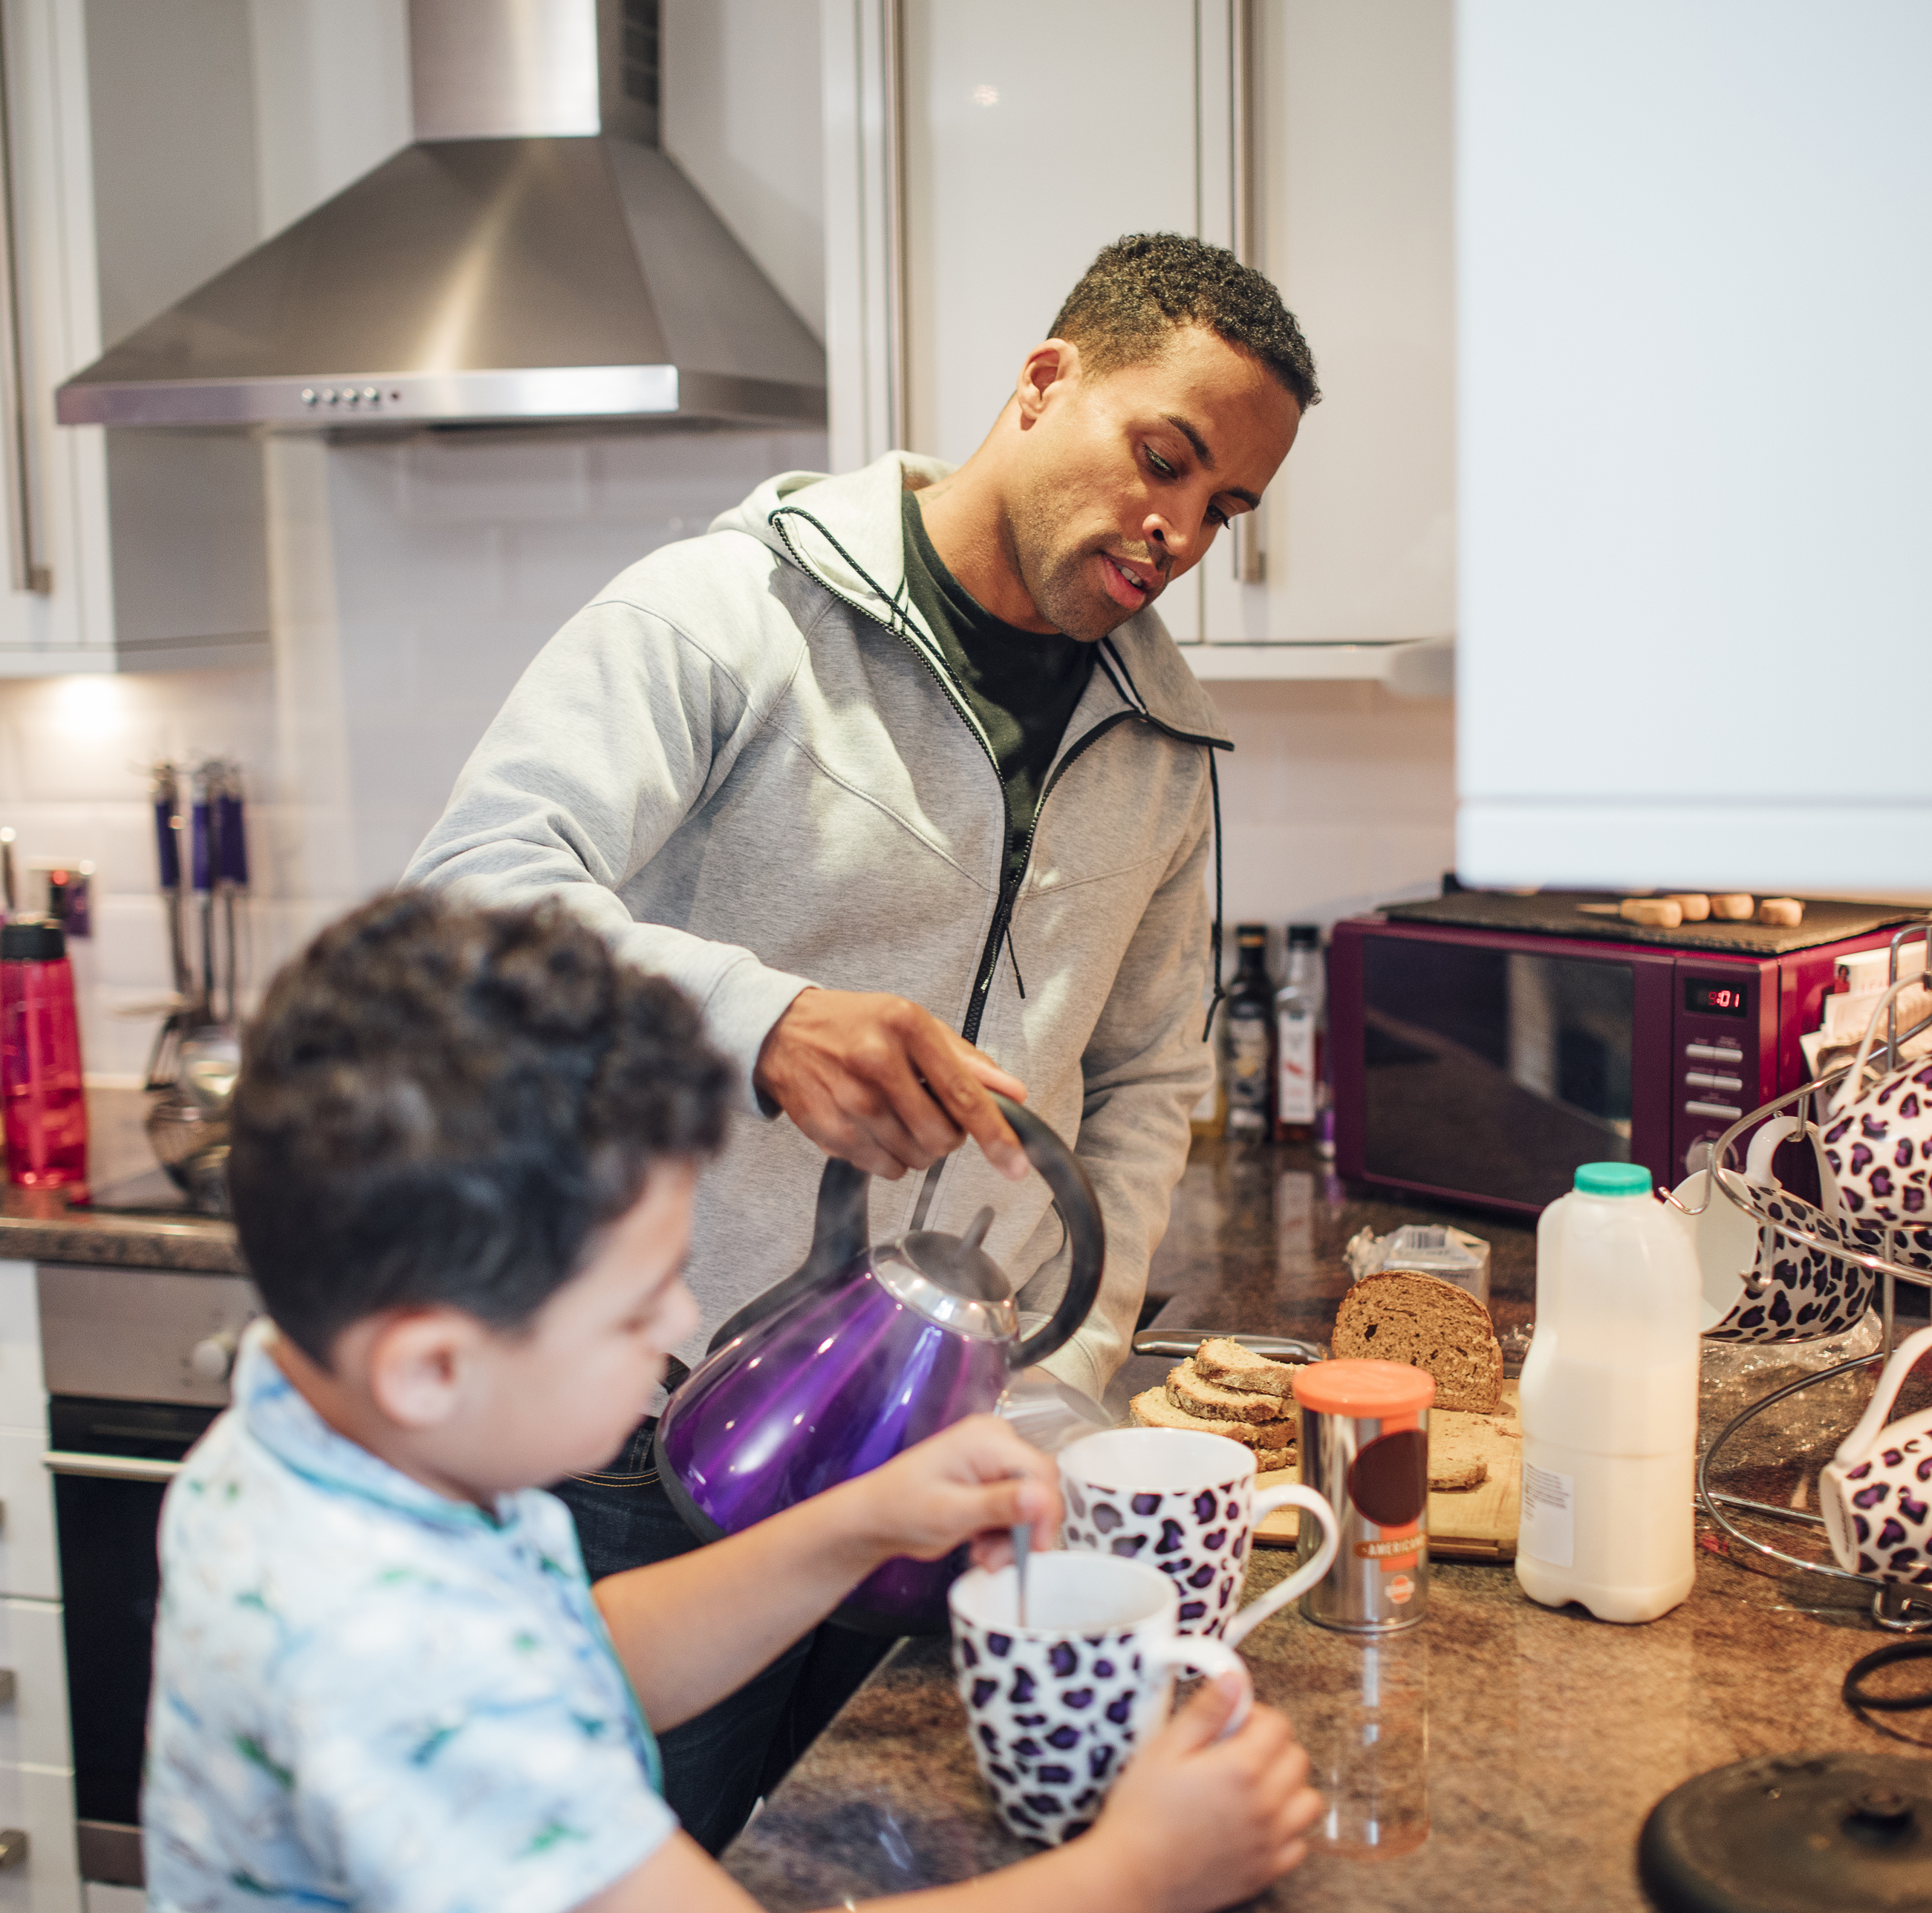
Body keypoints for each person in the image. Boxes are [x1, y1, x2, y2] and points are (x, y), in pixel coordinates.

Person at [404, 233, 1318, 1844]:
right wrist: (755, 1018)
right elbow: (462, 902)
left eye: (1225, 509)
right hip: (651, 1433)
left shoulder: (1165, 747)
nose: (1180, 533)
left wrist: (1066, 1377)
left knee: (880, 1860)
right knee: (647, 1864)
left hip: (952, 1447)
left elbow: (1150, 1079)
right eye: (1163, 459)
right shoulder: (726, 611)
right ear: (1045, 383)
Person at [146, 893, 1319, 1913]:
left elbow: (572, 1653)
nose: (673, 1329)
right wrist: (1134, 1878)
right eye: (635, 1306)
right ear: (429, 1365)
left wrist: (860, 1523)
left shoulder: (311, 1450)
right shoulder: (396, 1658)